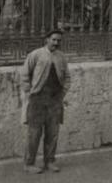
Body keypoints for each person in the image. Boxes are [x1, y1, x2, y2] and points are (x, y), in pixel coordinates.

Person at [22, 29, 71, 174]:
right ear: (47, 40)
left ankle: (49, 161)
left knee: (53, 133)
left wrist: (62, 93)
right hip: (37, 99)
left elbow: (67, 77)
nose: (56, 43)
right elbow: (25, 74)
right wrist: (29, 92)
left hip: (55, 101)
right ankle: (29, 163)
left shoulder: (61, 57)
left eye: (58, 40)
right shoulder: (36, 54)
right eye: (53, 39)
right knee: (34, 133)